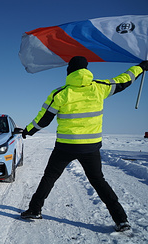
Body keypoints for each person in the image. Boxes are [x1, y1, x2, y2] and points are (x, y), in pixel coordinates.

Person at [20, 56, 148, 232]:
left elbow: (43, 120)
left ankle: (35, 210)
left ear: (69, 71)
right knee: (98, 181)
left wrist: (28, 131)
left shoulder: (60, 93)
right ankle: (121, 219)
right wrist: (141, 67)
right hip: (90, 147)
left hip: (65, 146)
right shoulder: (99, 87)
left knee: (49, 177)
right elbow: (124, 79)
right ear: (86, 69)